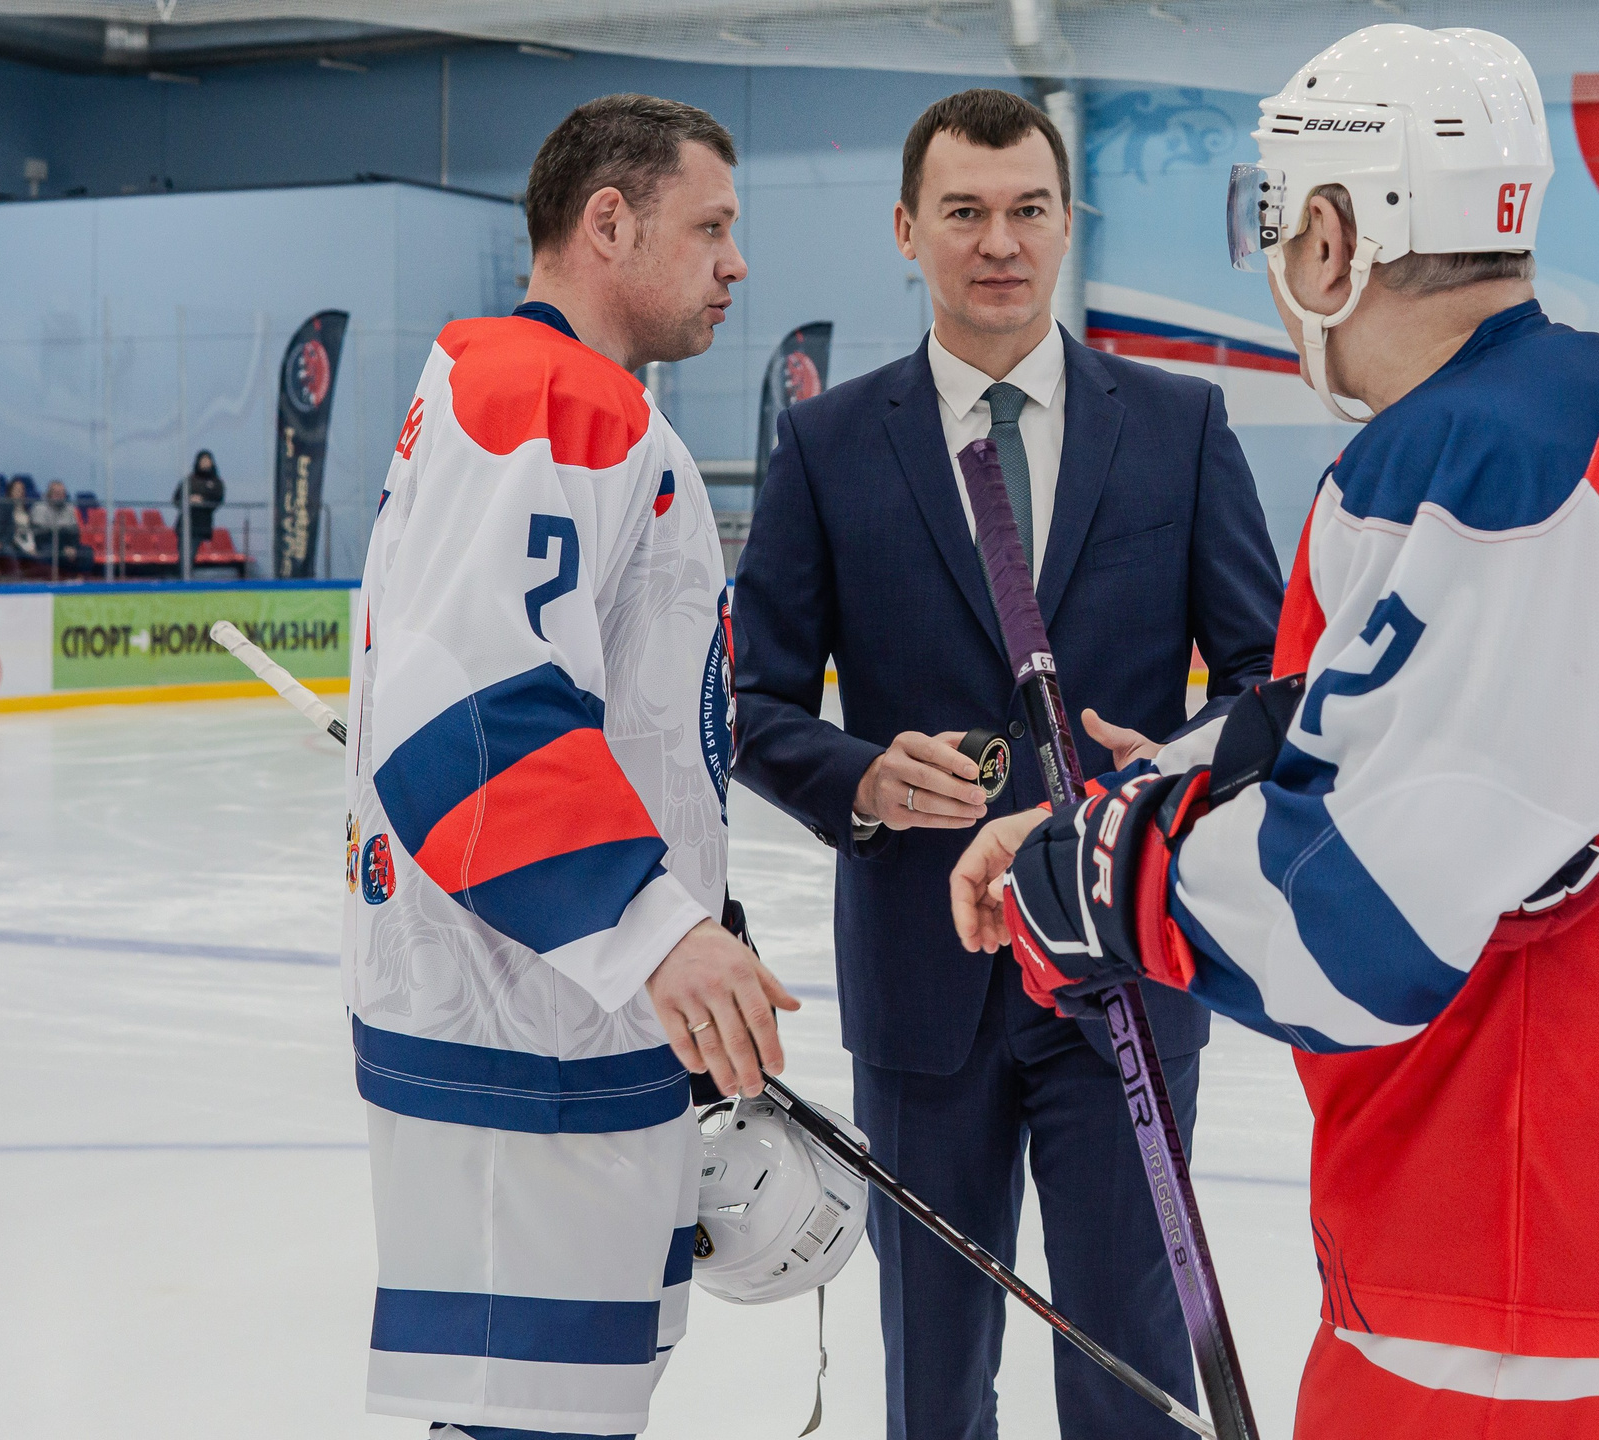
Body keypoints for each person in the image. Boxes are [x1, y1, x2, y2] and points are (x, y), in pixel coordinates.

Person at [950, 26, 1599, 1438]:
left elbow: (1359, 923)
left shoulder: (1486, 461)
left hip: (1507, 1225)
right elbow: (1397, 730)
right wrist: (1162, 788)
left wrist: (1086, 883)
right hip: (1579, 1193)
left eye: (1275, 215)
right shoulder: (1566, 411)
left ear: (1335, 231)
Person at [731, 87, 1282, 1440]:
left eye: (1028, 210)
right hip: (926, 984)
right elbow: (749, 700)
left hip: (1126, 970)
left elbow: (1270, 684)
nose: (1000, 242)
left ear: (1064, 224)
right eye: (966, 213)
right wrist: (857, 776)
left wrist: (1186, 768)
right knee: (932, 1368)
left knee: (1126, 1362)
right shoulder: (826, 442)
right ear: (908, 230)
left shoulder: (1180, 427)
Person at [346, 94, 792, 1440]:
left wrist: (694, 929)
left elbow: (611, 718)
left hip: (564, 1013)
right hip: (527, 1031)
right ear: (611, 220)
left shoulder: (556, 400)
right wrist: (657, 934)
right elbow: (470, 713)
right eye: (710, 226)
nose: (737, 263)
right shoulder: (546, 398)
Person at [175, 449, 225, 564]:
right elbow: (176, 499)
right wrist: (189, 500)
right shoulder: (189, 481)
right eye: (202, 460)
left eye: (207, 460)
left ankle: (186, 577)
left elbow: (218, 500)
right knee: (184, 557)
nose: (205, 463)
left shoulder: (216, 482)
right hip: (185, 524)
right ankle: (183, 578)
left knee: (190, 556)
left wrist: (203, 501)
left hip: (202, 525)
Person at [31, 479, 82, 573]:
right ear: (49, 494)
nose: (59, 496)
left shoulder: (69, 508)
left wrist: (73, 547)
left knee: (87, 552)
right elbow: (40, 534)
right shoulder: (39, 508)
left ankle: (80, 579)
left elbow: (75, 531)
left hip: (67, 543)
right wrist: (63, 547)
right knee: (51, 552)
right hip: (46, 543)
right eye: (56, 493)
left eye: (62, 493)